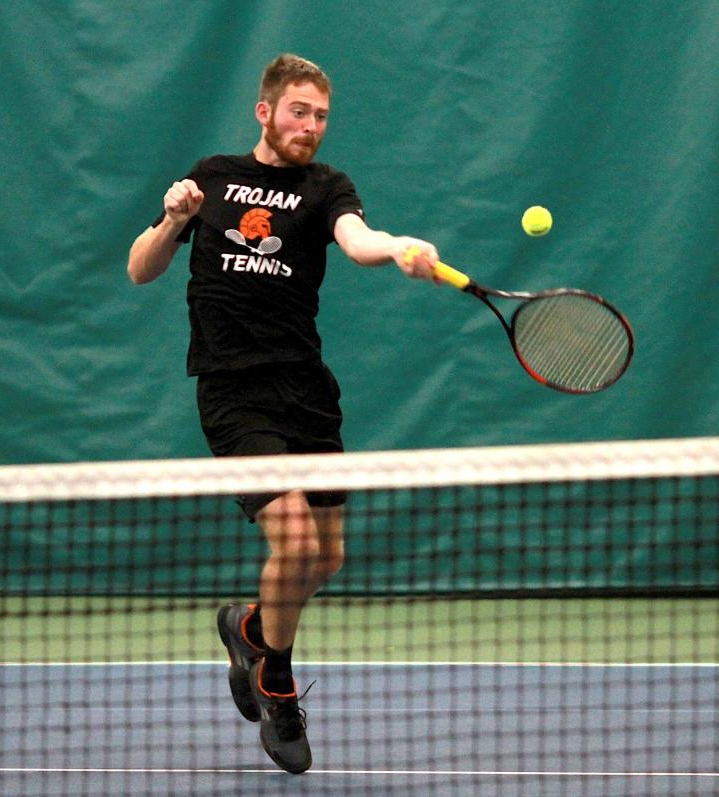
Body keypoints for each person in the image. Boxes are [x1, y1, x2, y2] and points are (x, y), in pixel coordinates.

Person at [127, 53, 439, 774]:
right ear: (265, 111)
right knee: (295, 539)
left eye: (322, 116)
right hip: (234, 392)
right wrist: (173, 220)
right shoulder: (210, 176)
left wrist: (395, 247)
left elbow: (357, 242)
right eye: (300, 112)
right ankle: (277, 680)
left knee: (326, 556)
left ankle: (249, 628)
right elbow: (141, 267)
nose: (312, 127)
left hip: (306, 390)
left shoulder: (327, 188)